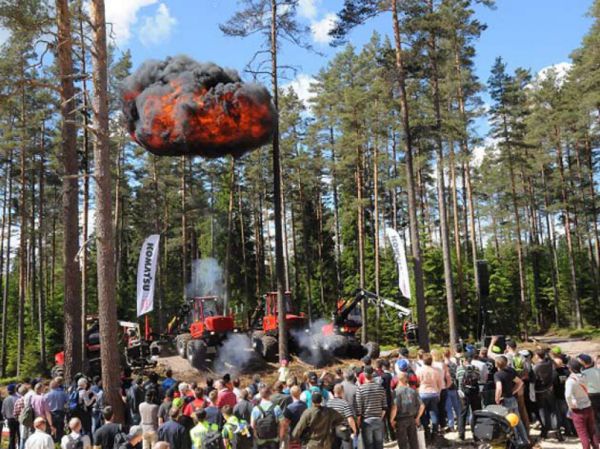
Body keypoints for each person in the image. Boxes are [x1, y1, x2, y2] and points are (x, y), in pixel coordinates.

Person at [494, 356, 529, 447]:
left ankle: (516, 442)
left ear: (496, 364)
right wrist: (514, 391)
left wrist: (497, 399)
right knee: (518, 420)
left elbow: (499, 388)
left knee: (510, 422)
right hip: (512, 399)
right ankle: (525, 440)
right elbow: (520, 382)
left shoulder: (497, 375)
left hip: (505, 400)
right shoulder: (510, 371)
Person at [566, 359, 600, 449]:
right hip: (588, 406)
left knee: (583, 434)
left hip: (577, 409)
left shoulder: (570, 380)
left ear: (570, 368)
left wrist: (570, 406)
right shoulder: (584, 376)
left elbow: (568, 395)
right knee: (592, 431)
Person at [390, 372, 425, 449]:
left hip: (400, 420)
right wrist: (417, 418)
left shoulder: (395, 392)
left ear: (397, 379)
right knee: (414, 441)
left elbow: (394, 408)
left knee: (403, 443)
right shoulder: (413, 391)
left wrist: (391, 420)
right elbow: (422, 406)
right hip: (412, 419)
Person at [532, 348, 561, 440]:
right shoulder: (549, 363)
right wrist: (540, 348)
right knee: (553, 410)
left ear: (537, 356)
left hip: (540, 391)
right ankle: (557, 431)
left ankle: (544, 431)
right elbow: (548, 356)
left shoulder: (536, 367)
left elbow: (533, 380)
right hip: (550, 390)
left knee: (543, 411)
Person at [355, 366, 387, 449]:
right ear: (372, 375)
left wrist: (358, 423)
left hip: (366, 421)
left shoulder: (360, 389)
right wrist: (380, 417)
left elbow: (359, 409)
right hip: (378, 419)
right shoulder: (380, 388)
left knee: (369, 445)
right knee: (379, 445)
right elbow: (384, 407)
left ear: (364, 375)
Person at [416, 353, 443, 440]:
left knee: (423, 414)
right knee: (434, 413)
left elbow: (417, 383)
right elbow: (440, 384)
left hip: (423, 393)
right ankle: (434, 432)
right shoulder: (436, 370)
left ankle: (427, 432)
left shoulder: (419, 370)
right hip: (434, 393)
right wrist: (438, 394)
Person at [456, 353, 481, 441]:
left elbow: (458, 379)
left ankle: (461, 435)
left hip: (463, 394)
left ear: (464, 360)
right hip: (475, 393)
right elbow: (479, 379)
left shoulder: (459, 369)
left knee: (463, 414)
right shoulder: (476, 369)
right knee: (476, 413)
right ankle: (477, 436)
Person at [328, 384, 358, 449]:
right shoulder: (344, 403)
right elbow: (350, 419)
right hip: (343, 430)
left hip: (332, 430)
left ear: (334, 391)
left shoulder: (329, 403)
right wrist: (354, 430)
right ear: (342, 392)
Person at [579, 353, 600, 434]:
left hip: (591, 396)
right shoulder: (598, 370)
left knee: (595, 418)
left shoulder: (583, 374)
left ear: (583, 363)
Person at [3, 384, 20, 449]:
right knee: (19, 435)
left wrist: (6, 417)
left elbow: (3, 411)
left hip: (9, 419)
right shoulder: (18, 398)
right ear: (15, 390)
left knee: (11, 435)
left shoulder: (5, 400)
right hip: (17, 419)